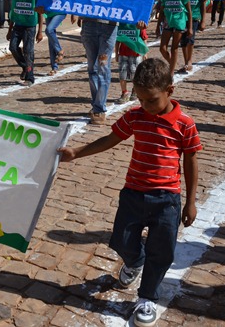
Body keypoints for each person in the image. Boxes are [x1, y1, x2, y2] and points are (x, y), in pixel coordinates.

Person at [57, 57, 201, 327]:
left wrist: (190, 202)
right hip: (133, 194)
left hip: (167, 200)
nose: (145, 106)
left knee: (162, 252)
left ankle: (147, 297)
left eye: (151, 100)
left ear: (169, 91)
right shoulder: (135, 116)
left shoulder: (185, 124)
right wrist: (76, 152)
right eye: (140, 99)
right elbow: (110, 139)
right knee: (122, 241)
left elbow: (191, 160)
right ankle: (135, 261)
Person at [71, 0, 133, 124]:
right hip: (88, 25)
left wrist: (136, 19)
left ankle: (99, 108)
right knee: (92, 67)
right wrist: (70, 9)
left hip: (109, 27)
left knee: (103, 66)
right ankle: (96, 102)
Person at [6, 0, 43, 86]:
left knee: (28, 51)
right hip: (18, 26)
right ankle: (25, 66)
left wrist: (40, 31)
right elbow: (13, 11)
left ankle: (30, 77)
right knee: (13, 47)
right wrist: (9, 29)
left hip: (29, 27)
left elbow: (40, 13)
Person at [36, 0, 70, 76]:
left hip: (60, 10)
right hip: (49, 10)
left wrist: (73, 13)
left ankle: (60, 50)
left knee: (49, 30)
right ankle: (54, 66)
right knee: (51, 39)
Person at [155, 0, 192, 76]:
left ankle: (171, 73)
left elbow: (189, 12)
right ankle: (172, 63)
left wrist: (190, 28)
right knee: (162, 48)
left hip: (179, 23)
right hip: (168, 22)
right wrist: (158, 26)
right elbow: (162, 11)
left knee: (174, 48)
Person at [180, 0, 207, 73]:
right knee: (183, 41)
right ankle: (186, 61)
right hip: (183, 18)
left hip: (194, 18)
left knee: (190, 39)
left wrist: (203, 21)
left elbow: (203, 6)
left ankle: (189, 60)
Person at [114, 21, 148, 103]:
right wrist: (116, 53)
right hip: (123, 52)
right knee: (122, 73)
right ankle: (124, 93)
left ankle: (135, 90)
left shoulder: (138, 23)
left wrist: (145, 52)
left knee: (135, 73)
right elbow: (117, 39)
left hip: (136, 53)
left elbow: (144, 38)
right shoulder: (121, 23)